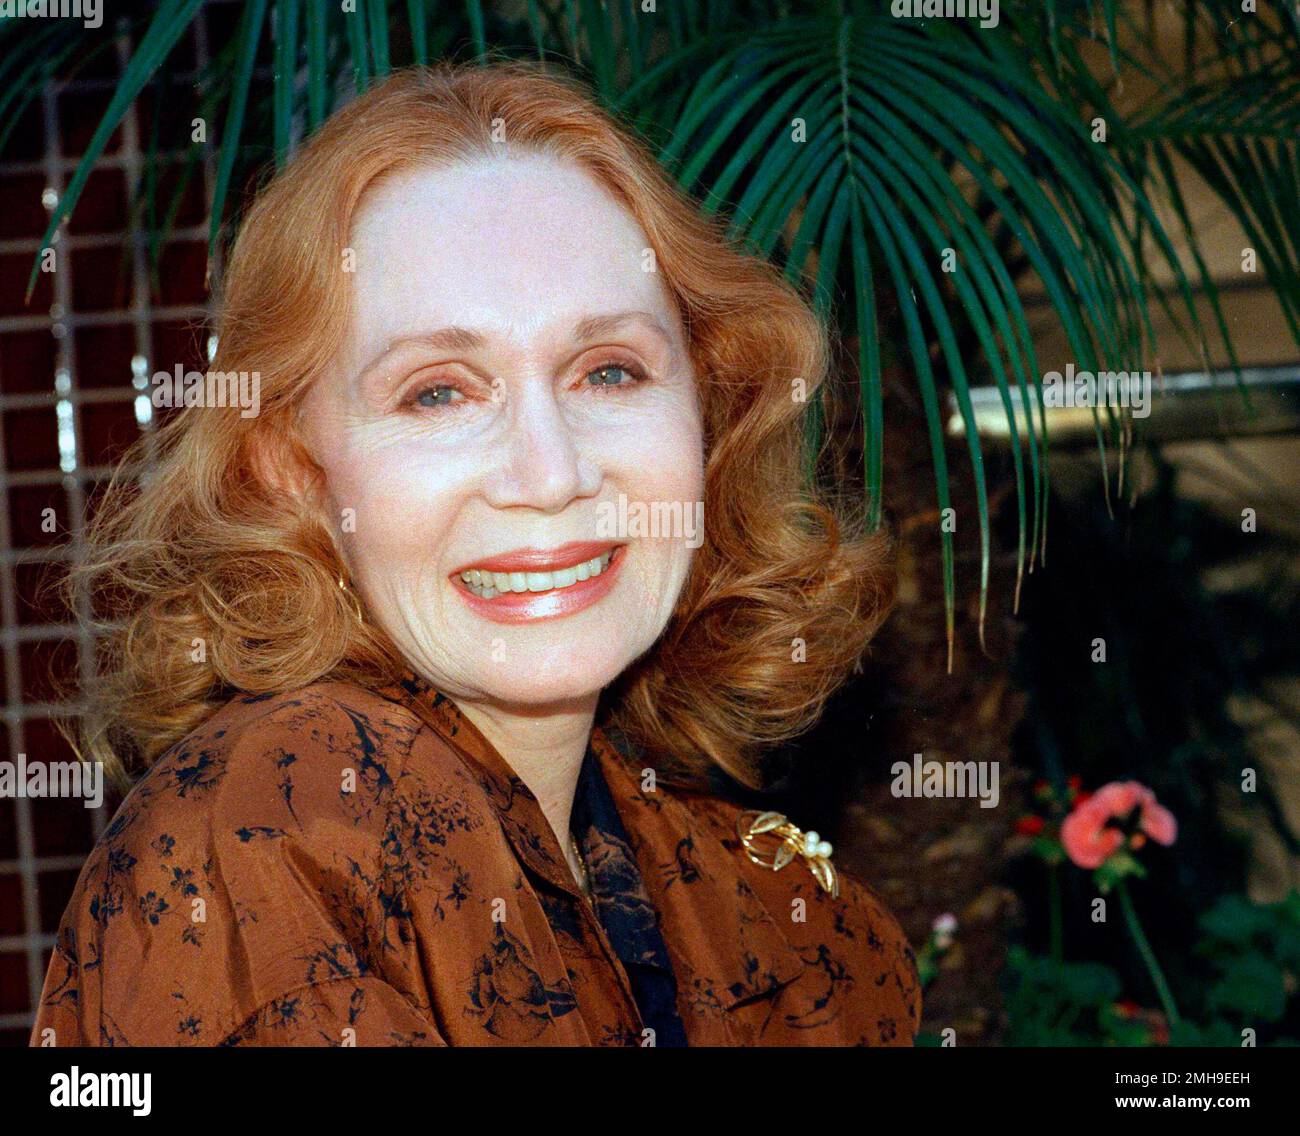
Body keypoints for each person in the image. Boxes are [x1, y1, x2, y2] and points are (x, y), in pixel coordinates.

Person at [31, 60, 917, 1047]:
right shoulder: (276, 826)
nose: (547, 473)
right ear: (293, 468)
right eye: (439, 392)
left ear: (709, 415)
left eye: (609, 371)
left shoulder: (728, 881)